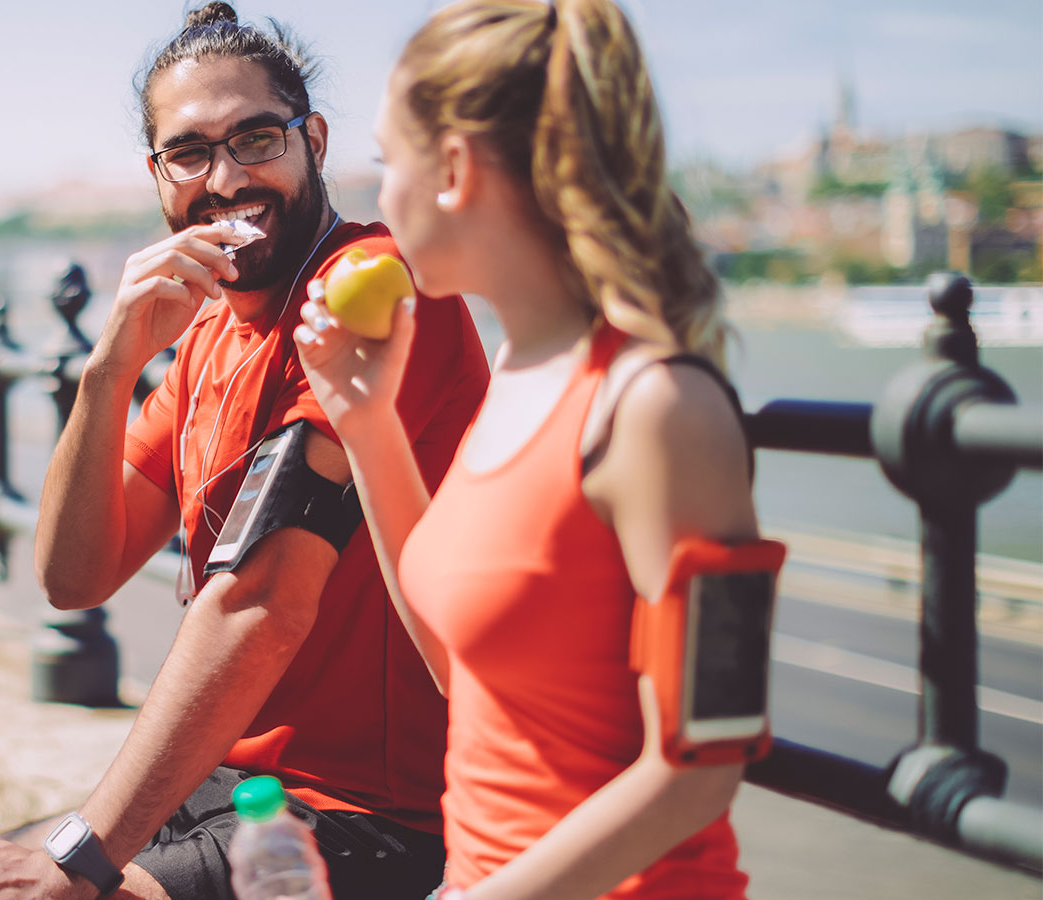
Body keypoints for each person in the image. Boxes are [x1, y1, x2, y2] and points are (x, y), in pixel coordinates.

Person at [0, 4, 489, 899]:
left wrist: (75, 863)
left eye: (256, 140)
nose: (225, 179)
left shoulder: (373, 296)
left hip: (376, 815)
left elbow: (262, 600)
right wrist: (109, 366)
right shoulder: (208, 332)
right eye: (189, 153)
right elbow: (76, 576)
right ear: (157, 174)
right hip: (232, 790)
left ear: (313, 140)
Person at [294, 1, 772, 898]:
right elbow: (458, 667)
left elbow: (705, 759)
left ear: (453, 170)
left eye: (387, 161)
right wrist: (367, 423)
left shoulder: (661, 407)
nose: (379, 197)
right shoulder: (517, 370)